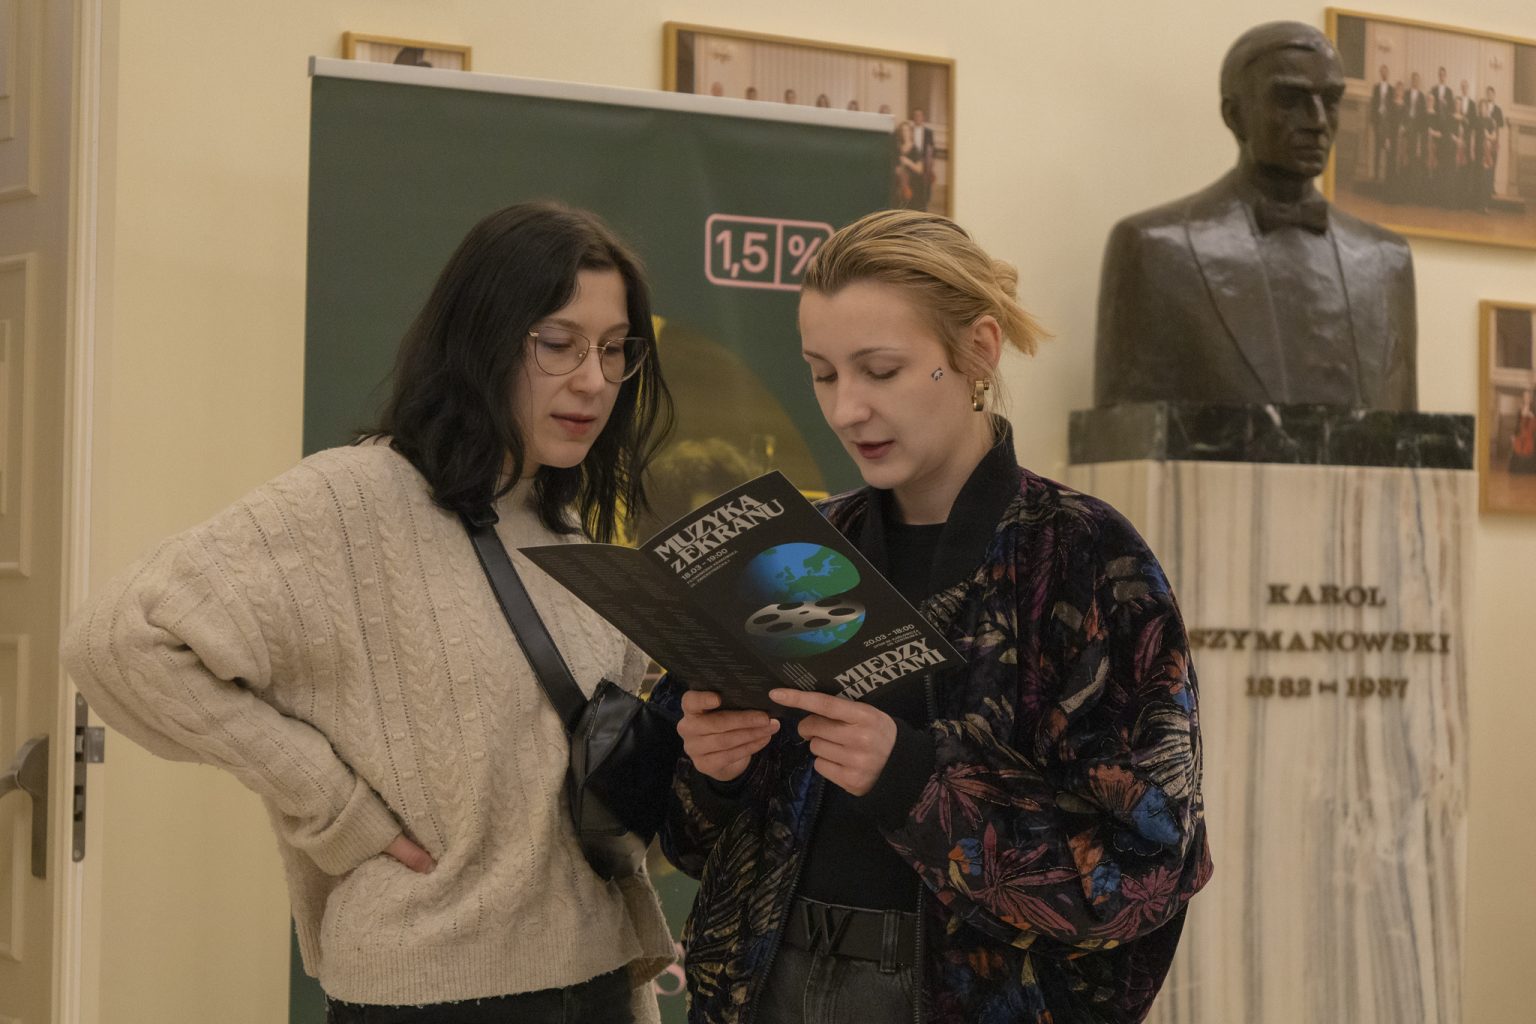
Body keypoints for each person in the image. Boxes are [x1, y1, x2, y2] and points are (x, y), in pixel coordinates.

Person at [61, 203, 678, 1022]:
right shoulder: (353, 500)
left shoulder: (569, 531)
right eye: (558, 344)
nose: (593, 380)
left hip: (596, 981)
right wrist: (332, 806)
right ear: (483, 340)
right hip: (430, 992)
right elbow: (116, 641)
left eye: (614, 349)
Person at [656, 209, 1211, 1023]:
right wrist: (715, 770)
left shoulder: (1086, 556)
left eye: (880, 371)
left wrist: (913, 779)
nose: (846, 409)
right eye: (822, 374)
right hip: (767, 988)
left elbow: (1144, 867)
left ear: (978, 350)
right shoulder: (797, 547)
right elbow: (693, 843)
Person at [1095, 21, 1418, 410]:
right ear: (1235, 116)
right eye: (1290, 99)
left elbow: (1406, 429)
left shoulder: (1387, 259)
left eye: (1331, 100)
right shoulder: (1155, 248)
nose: (1317, 121)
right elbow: (1124, 432)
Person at [1369, 64, 1394, 181]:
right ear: (1380, 73)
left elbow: (1392, 107)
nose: (1384, 74)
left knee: (1387, 148)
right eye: (1382, 72)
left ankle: (1387, 175)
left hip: (1387, 123)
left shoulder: (1391, 89)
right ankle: (1376, 175)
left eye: (1386, 72)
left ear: (1388, 74)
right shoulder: (1376, 88)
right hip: (1378, 122)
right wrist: (1373, 120)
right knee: (1377, 149)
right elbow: (1373, 104)